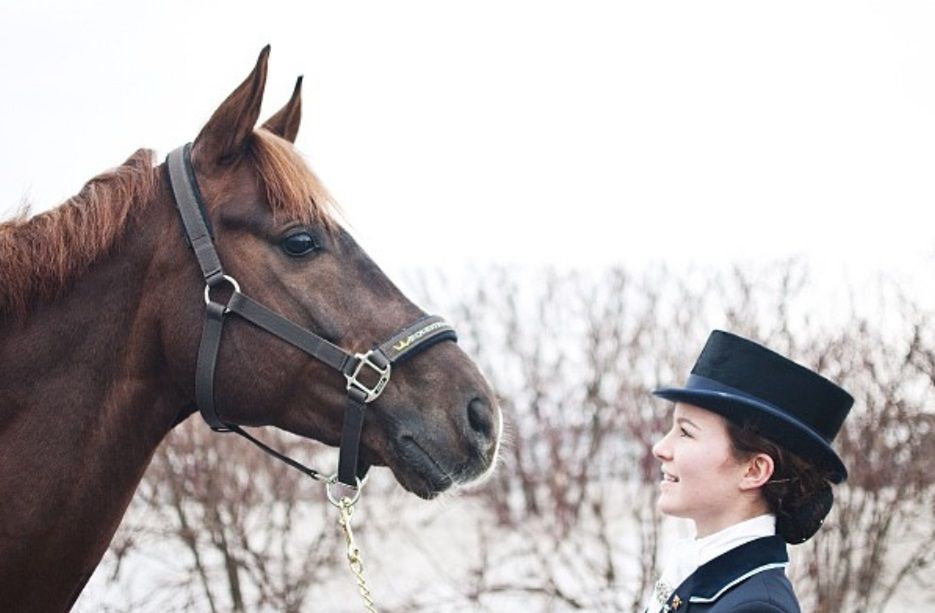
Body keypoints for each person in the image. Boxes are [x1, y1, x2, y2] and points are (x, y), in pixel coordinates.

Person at [644, 330, 853, 613]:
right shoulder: (701, 576)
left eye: (686, 432)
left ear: (754, 470)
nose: (660, 448)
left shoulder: (756, 607)